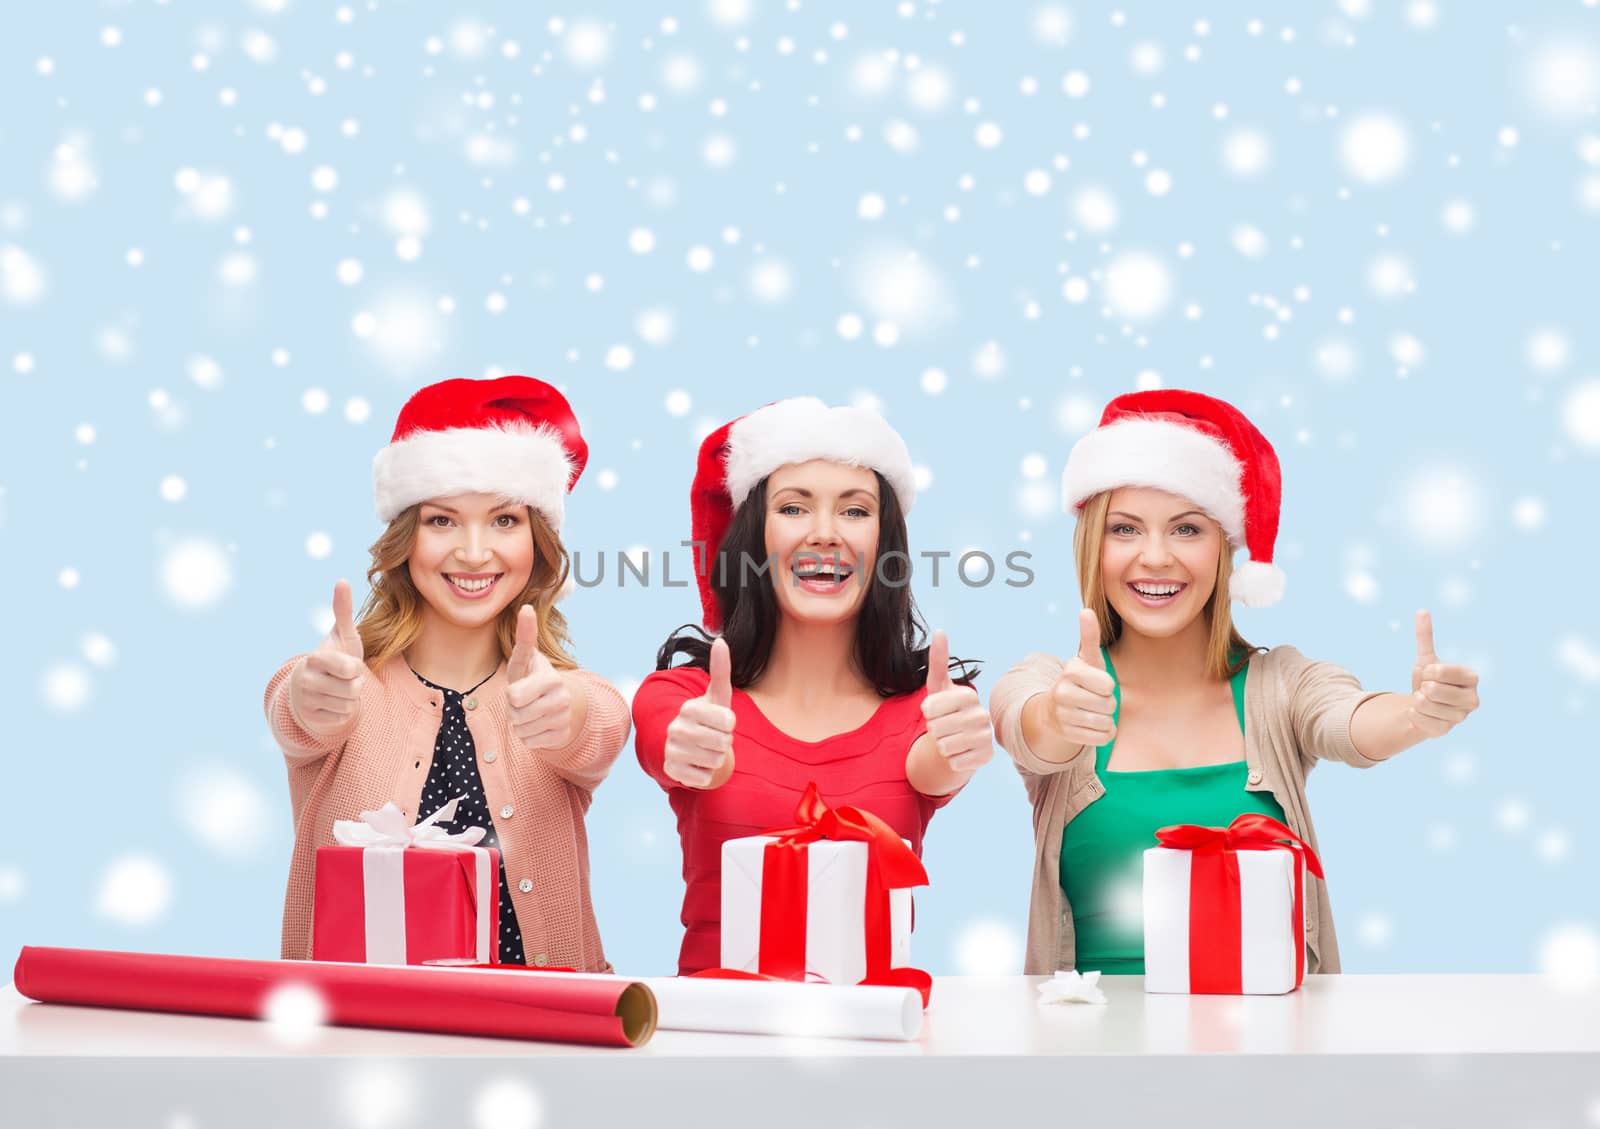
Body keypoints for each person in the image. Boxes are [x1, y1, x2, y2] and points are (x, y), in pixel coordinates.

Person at [988, 389, 1481, 975]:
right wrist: (1058, 716)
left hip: (1266, 1054)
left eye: (1187, 530)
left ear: (1225, 549)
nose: (1155, 557)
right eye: (1125, 529)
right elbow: (1026, 724)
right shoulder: (1054, 682)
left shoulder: (1281, 686)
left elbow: (1347, 721)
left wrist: (1416, 715)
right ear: (1092, 545)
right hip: (1092, 1055)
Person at [264, 376, 631, 970]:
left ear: (538, 541)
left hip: (538, 1033)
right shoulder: (346, 685)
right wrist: (313, 695)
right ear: (405, 539)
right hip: (366, 1037)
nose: (474, 552)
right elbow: (294, 711)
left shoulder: (559, 696)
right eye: (442, 521)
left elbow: (598, 725)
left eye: (505, 521)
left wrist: (566, 713)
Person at [633, 397, 994, 975]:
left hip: (878, 1040)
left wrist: (958, 749)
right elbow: (673, 746)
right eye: (794, 508)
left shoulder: (930, 707)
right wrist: (693, 749)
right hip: (712, 1037)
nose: (825, 534)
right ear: (755, 537)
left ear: (886, 545)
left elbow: (934, 765)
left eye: (854, 512)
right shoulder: (684, 697)